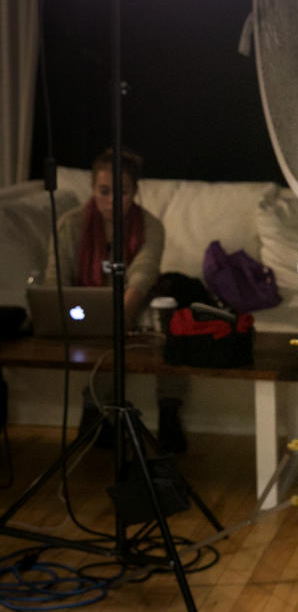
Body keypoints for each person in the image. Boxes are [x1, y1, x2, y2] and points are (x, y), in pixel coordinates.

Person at [45, 148, 186, 453]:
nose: (111, 201)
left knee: (171, 324)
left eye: (120, 193)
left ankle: (169, 410)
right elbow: (56, 279)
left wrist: (118, 316)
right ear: (93, 189)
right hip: (83, 310)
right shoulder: (71, 224)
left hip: (134, 308)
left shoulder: (150, 226)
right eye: (104, 191)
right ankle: (96, 415)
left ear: (135, 192)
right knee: (103, 339)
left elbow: (142, 275)